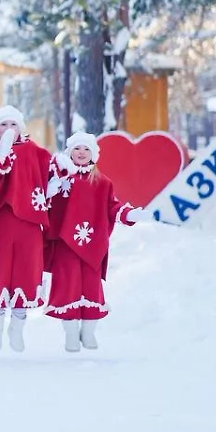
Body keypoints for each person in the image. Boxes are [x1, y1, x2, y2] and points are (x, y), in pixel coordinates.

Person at [45, 133, 145, 352]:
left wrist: (127, 214)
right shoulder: (60, 178)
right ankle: (71, 333)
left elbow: (112, 206)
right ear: (69, 152)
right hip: (65, 243)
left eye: (86, 149)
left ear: (93, 155)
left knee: (91, 287)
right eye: (77, 148)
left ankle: (89, 331)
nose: (81, 152)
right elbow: (47, 201)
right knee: (67, 285)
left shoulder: (102, 182)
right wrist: (50, 188)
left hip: (92, 244)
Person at [0, 106, 54, 352]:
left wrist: (56, 184)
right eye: (2, 126)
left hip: (28, 222)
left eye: (12, 125)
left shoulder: (37, 152)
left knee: (25, 273)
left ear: (21, 128)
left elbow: (50, 178)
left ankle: (17, 329)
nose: (8, 130)